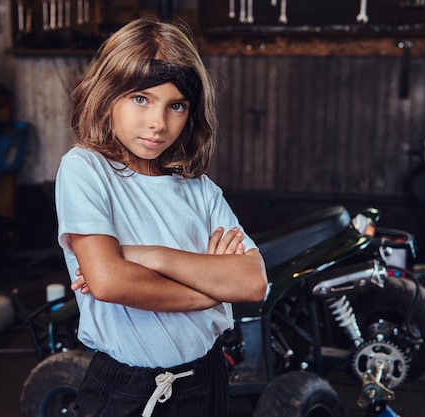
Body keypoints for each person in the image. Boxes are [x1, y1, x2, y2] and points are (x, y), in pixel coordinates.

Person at [55, 15, 268, 417]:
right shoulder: (86, 169)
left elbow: (253, 283)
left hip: (206, 379)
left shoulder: (199, 190)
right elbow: (109, 281)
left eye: (176, 105)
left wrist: (147, 256)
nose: (158, 122)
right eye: (141, 99)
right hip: (127, 390)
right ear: (107, 97)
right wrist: (212, 290)